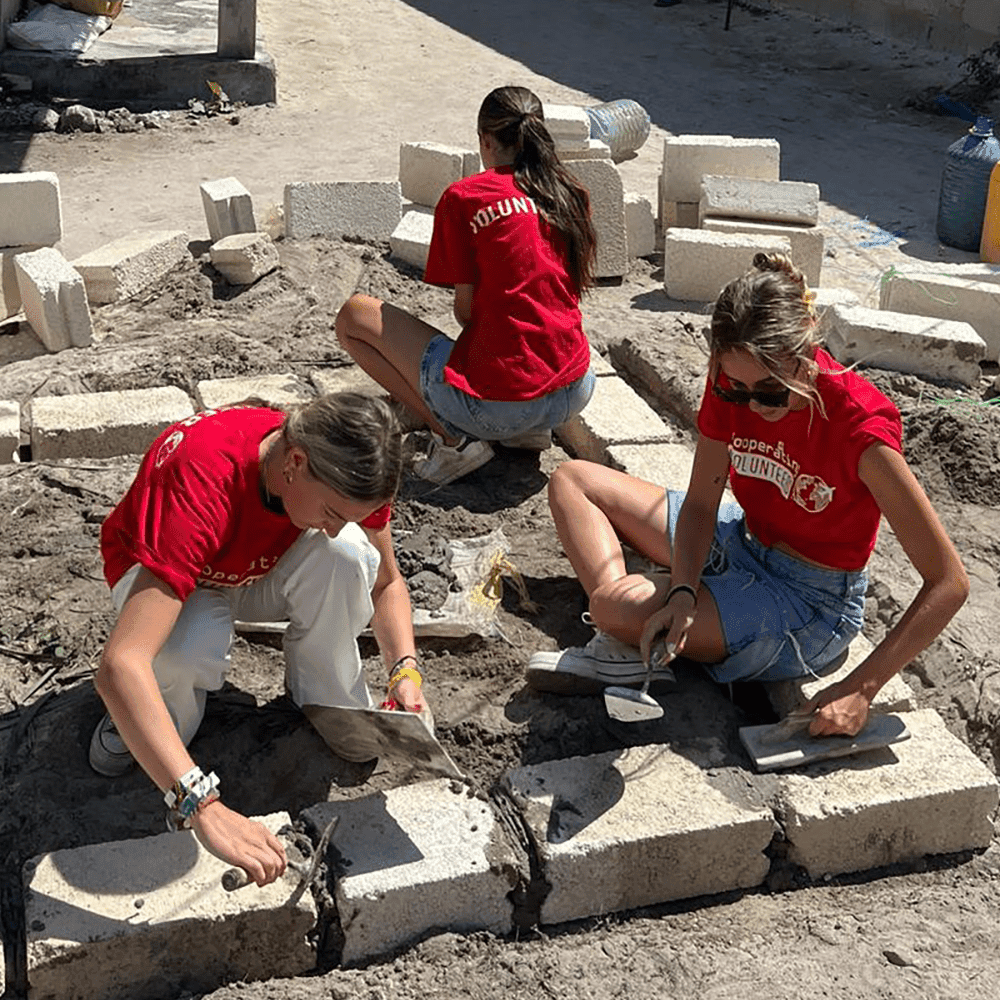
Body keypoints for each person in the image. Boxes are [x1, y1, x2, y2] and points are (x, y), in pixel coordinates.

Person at [527, 253, 969, 737]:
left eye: (770, 392)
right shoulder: (730, 381)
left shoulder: (858, 428)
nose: (752, 405)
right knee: (574, 482)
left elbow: (948, 581)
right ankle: (625, 644)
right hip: (743, 539)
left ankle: (625, 630)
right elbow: (700, 505)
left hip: (808, 600)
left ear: (806, 356)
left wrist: (861, 688)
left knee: (615, 604)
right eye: (737, 389)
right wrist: (680, 593)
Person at [92, 393, 427, 887]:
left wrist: (405, 669)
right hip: (159, 572)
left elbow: (386, 584)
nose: (334, 526)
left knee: (350, 557)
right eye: (333, 511)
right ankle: (158, 725)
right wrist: (200, 804)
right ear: (295, 462)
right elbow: (120, 662)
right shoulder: (202, 482)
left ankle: (328, 701)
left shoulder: (355, 461)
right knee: (187, 645)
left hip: (253, 565)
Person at [335, 85, 598, 486]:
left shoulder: (466, 197)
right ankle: (526, 434)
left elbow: (466, 312)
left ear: (485, 142)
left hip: (503, 405)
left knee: (355, 315)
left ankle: (452, 439)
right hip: (575, 387)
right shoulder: (568, 194)